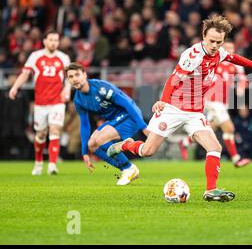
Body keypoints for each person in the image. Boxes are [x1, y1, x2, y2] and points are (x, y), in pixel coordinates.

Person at [107, 14, 252, 202]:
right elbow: (173, 78)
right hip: (172, 109)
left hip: (195, 113)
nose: (215, 46)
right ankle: (125, 144)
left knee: (214, 147)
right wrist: (163, 100)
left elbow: (235, 58)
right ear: (203, 35)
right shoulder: (192, 55)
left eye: (219, 42)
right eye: (211, 41)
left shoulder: (219, 53)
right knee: (148, 151)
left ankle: (211, 190)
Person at [65, 63, 149, 185]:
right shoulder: (78, 100)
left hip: (129, 115)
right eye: (71, 77)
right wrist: (84, 153)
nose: (74, 79)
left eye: (77, 74)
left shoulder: (100, 88)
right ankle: (125, 169)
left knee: (101, 138)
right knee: (92, 144)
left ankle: (129, 168)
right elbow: (84, 125)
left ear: (84, 74)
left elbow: (127, 103)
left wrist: (143, 126)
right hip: (115, 119)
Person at [178, 40, 251, 167]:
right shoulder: (214, 61)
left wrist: (241, 89)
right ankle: (236, 159)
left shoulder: (237, 66)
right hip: (212, 101)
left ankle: (185, 142)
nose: (228, 51)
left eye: (231, 48)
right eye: (226, 48)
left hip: (223, 102)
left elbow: (243, 80)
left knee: (209, 130)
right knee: (229, 128)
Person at [8, 30, 71, 175]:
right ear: (44, 41)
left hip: (57, 101)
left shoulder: (64, 58)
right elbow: (25, 74)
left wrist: (67, 90)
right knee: (41, 134)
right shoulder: (35, 56)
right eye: (51, 40)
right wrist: (15, 87)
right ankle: (38, 163)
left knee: (55, 130)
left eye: (56, 40)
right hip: (40, 103)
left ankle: (52, 165)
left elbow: (69, 77)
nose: (54, 43)